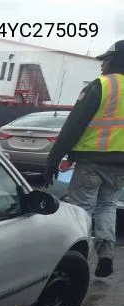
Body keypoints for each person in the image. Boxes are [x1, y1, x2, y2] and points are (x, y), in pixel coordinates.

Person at [45, 40, 124, 278]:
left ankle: (75, 259)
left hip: (91, 161)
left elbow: (73, 125)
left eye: (105, 60)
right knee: (108, 206)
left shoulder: (102, 86)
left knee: (82, 209)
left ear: (115, 61)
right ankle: (106, 253)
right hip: (120, 165)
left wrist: (54, 159)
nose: (101, 66)